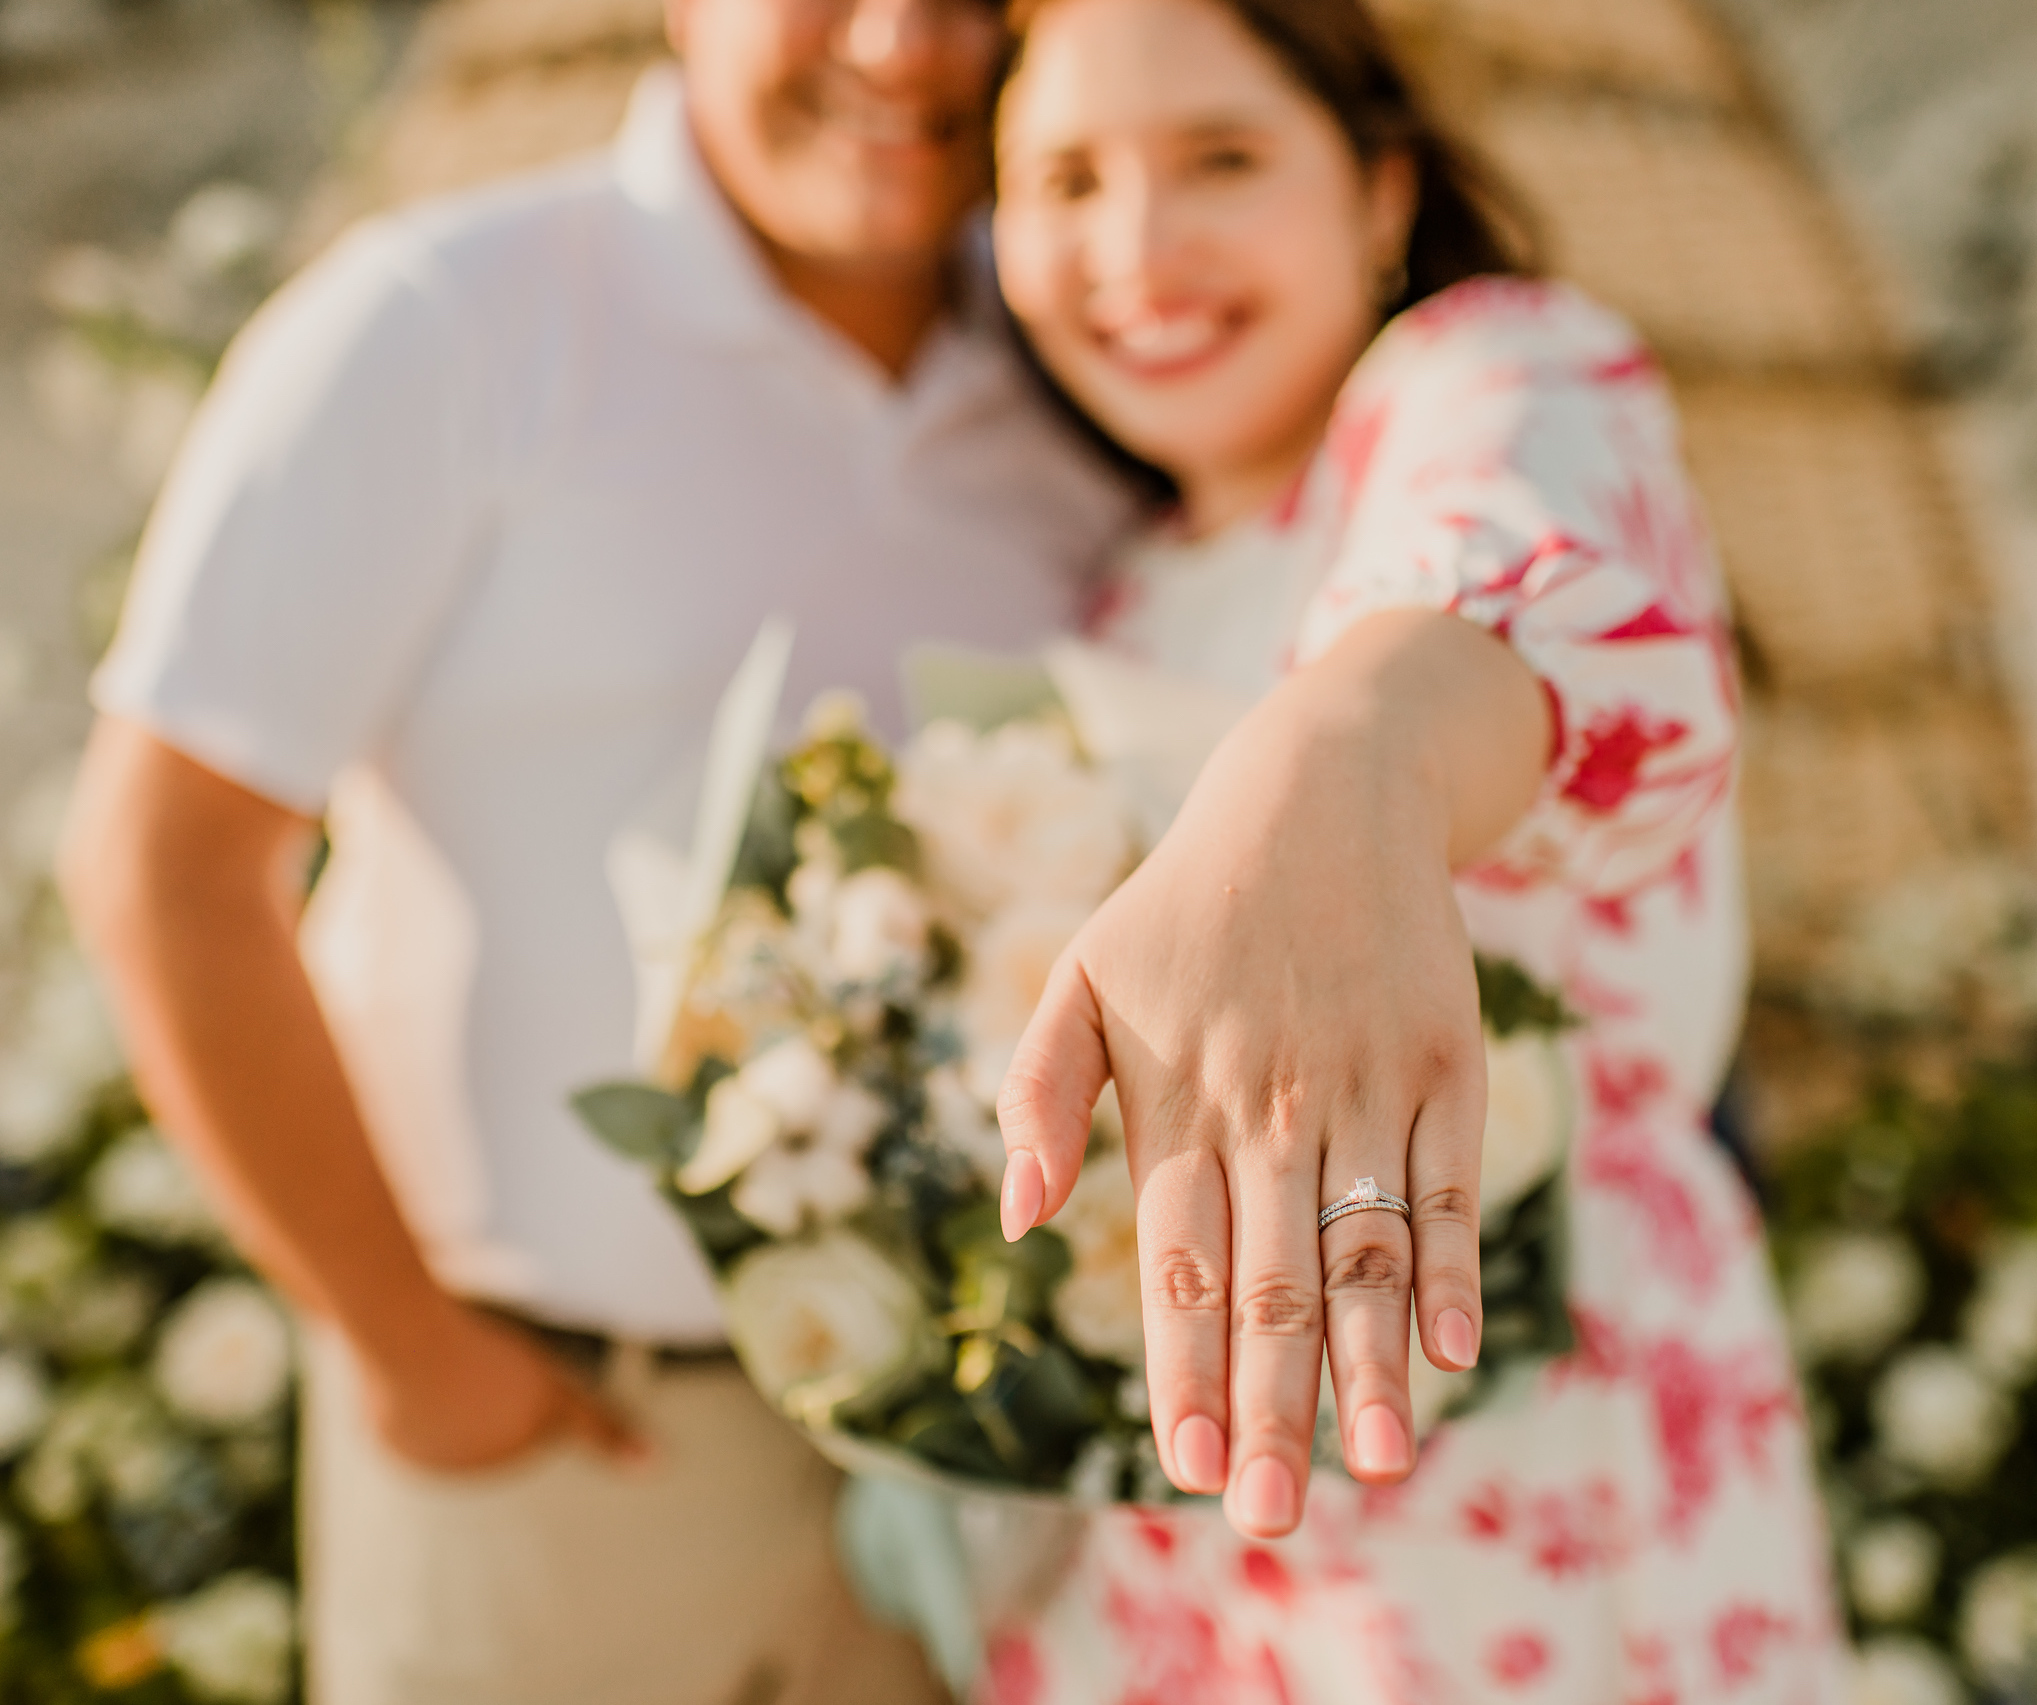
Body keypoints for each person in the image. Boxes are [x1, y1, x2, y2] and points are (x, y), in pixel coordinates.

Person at [57, 2, 1131, 1701]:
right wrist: (412, 1354)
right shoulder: (446, 322)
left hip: (968, 1462)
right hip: (554, 1441)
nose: (909, 44)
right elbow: (163, 861)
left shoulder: (1093, 360)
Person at [987, 0, 1848, 1695]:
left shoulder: (1500, 373)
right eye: (1063, 180)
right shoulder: (1111, 589)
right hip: (1184, 1539)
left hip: (1539, 1495)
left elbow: (1513, 590)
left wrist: (1343, 751)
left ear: (1380, 193)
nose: (1135, 246)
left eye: (1220, 158)